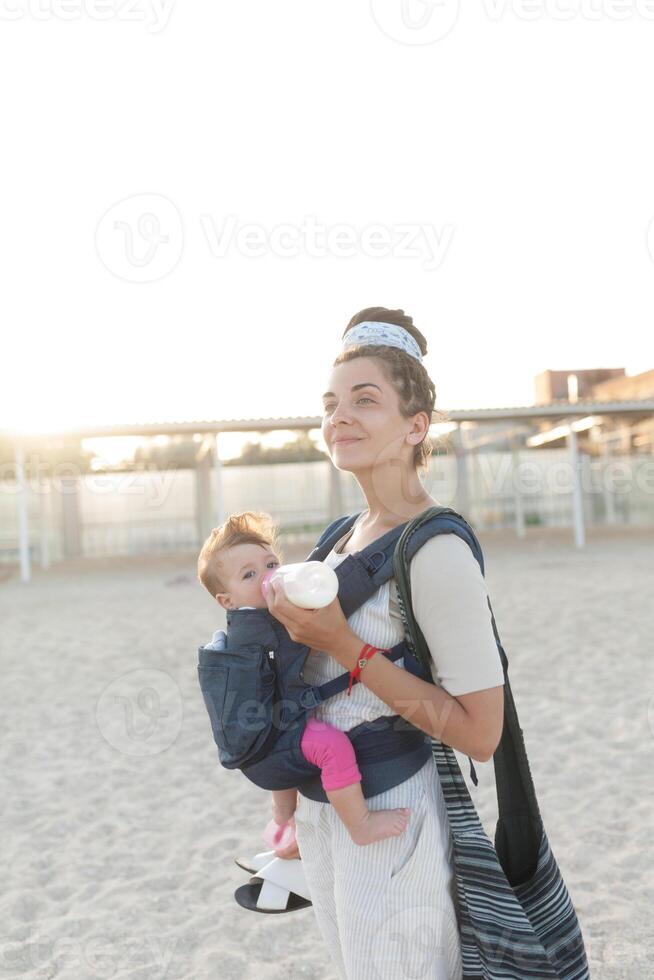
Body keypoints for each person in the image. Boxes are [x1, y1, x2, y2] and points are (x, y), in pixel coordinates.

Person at [261, 308, 506, 979]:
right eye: (331, 403)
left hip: (392, 812)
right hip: (327, 811)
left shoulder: (438, 549)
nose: (340, 416)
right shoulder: (340, 537)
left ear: (416, 425)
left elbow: (481, 734)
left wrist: (343, 645)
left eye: (365, 400)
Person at [197, 512, 412, 847]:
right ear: (228, 600)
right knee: (332, 746)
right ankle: (360, 824)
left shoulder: (251, 618)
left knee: (284, 741)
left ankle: (283, 821)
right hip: (273, 742)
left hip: (263, 744)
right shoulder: (257, 629)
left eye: (270, 565)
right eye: (249, 575)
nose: (267, 577)